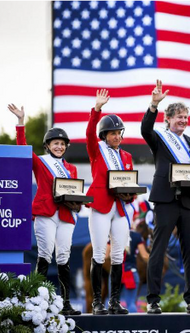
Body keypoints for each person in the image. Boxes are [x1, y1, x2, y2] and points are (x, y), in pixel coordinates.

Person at [8, 104, 81, 316]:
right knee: (45, 252)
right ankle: (37, 300)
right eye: (55, 143)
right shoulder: (40, 162)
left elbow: (74, 192)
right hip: (46, 213)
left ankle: (66, 303)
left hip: (66, 215)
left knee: (64, 256)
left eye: (62, 144)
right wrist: (21, 123)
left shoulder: (72, 168)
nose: (59, 146)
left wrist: (78, 202)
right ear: (48, 146)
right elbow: (22, 147)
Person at [141, 80, 190, 314]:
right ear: (168, 119)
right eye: (179, 117)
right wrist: (153, 105)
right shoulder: (159, 138)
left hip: (188, 202)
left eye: (186, 117)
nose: (183, 121)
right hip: (166, 200)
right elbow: (145, 130)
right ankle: (153, 300)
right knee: (158, 249)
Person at [85, 89, 135, 315]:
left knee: (117, 255)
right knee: (98, 254)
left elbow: (129, 182)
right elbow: (88, 134)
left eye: (119, 133)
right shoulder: (97, 150)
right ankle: (97, 301)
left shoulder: (126, 156)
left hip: (121, 208)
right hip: (102, 206)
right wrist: (96, 110)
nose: (116, 136)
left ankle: (114, 301)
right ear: (104, 135)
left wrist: (130, 196)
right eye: (112, 133)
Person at [120, 230, 149, 312]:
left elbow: (107, 255)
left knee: (113, 304)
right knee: (131, 303)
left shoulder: (112, 235)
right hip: (130, 272)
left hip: (116, 273)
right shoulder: (136, 236)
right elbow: (144, 256)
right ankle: (133, 324)